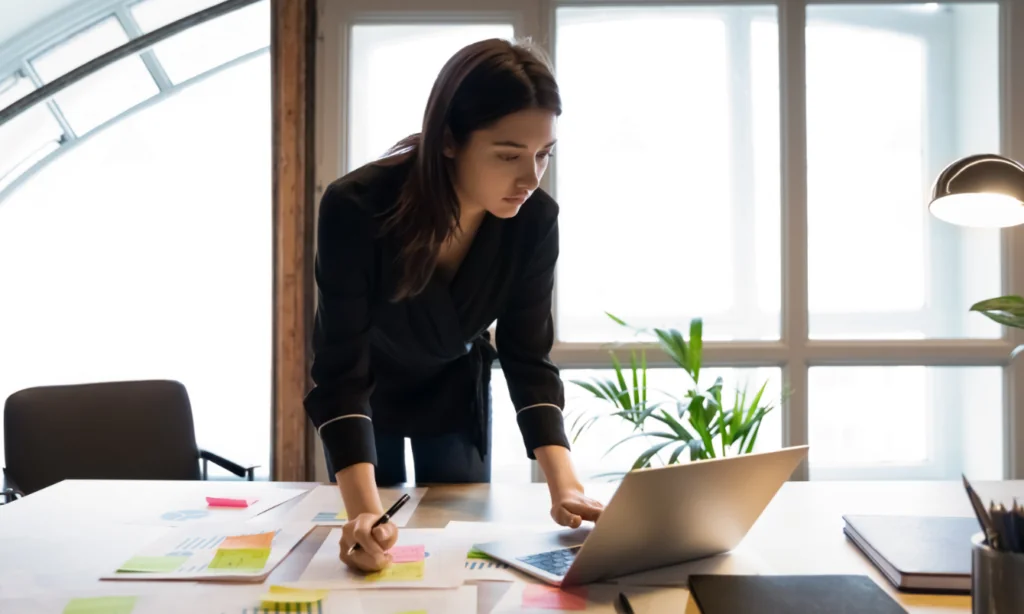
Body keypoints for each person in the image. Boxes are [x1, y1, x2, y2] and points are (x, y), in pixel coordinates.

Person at [303, 37, 604, 574]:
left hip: (453, 384)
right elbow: (340, 369)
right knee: (374, 542)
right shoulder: (356, 207)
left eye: (544, 154)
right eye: (509, 155)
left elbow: (527, 355)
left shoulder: (535, 221)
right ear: (448, 141)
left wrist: (567, 486)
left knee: (457, 547)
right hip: (365, 389)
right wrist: (365, 522)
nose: (531, 178)